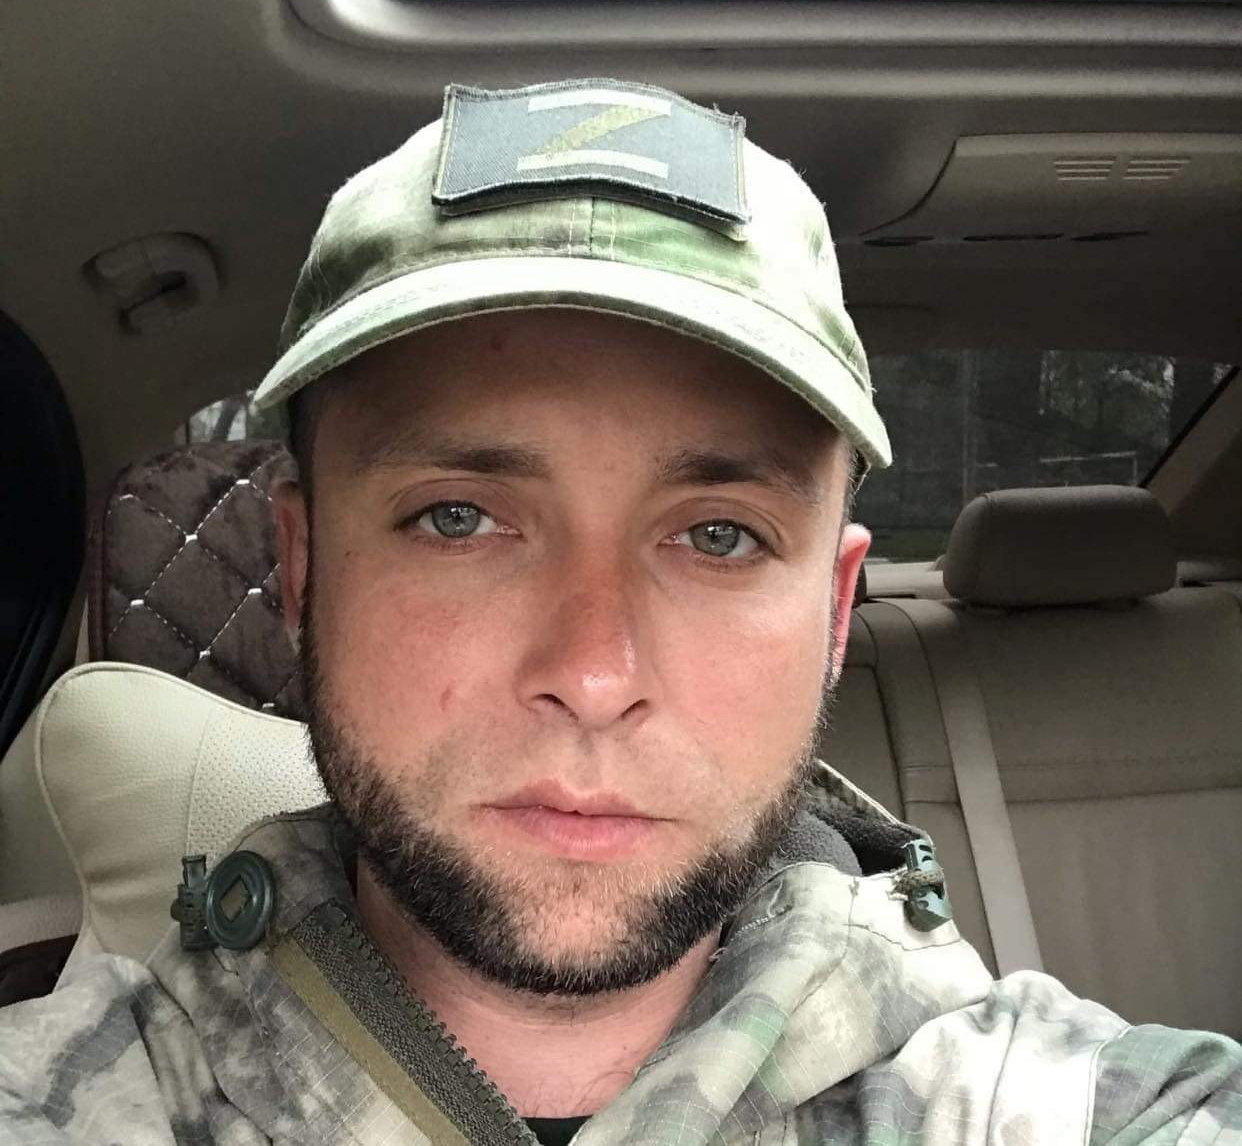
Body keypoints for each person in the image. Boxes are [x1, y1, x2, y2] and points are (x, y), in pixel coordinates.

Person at [1, 78, 1238, 1145]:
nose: (594, 672)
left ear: (835, 610)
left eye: (718, 535)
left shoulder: (1053, 1102)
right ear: (304, 568)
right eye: (459, 518)